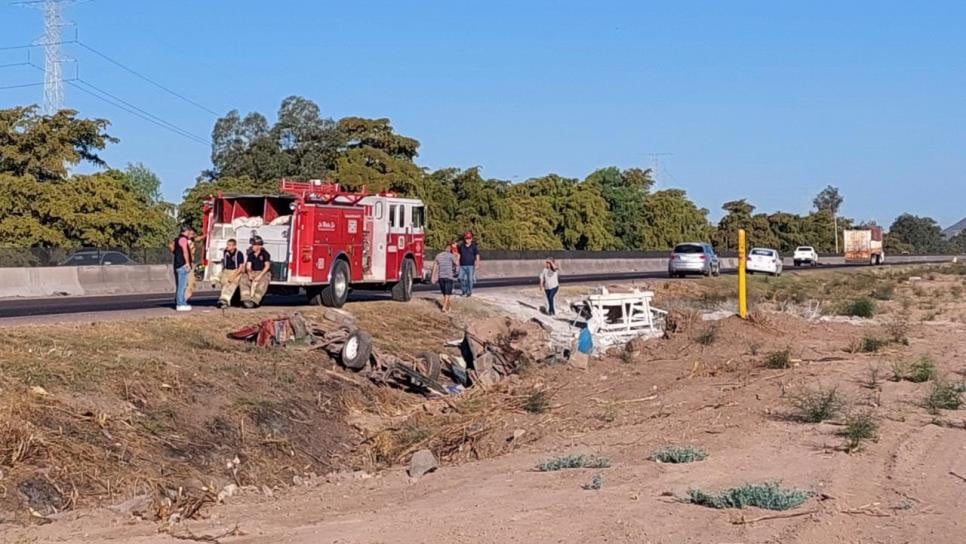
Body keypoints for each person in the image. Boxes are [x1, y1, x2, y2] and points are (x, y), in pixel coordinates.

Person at [239, 235, 271, 308]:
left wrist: (260, 276)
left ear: (259, 246)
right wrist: (250, 274)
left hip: (263, 272)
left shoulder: (265, 254)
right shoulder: (250, 255)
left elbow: (267, 266)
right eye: (252, 245)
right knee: (243, 279)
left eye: (253, 245)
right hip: (253, 271)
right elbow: (248, 266)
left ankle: (255, 300)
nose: (252, 246)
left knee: (263, 282)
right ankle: (246, 299)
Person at [216, 239, 245, 308]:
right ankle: (223, 300)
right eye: (227, 245)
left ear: (234, 246)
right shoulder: (226, 252)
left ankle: (225, 300)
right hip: (227, 270)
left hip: (236, 271)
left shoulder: (239, 254)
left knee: (232, 284)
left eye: (229, 245)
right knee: (224, 283)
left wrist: (233, 276)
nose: (227, 246)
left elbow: (240, 267)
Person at [430, 241, 459, 312]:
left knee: (445, 293)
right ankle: (444, 307)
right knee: (447, 293)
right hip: (449, 276)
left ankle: (449, 307)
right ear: (450, 249)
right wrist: (457, 256)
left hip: (441, 277)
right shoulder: (450, 255)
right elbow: (457, 263)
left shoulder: (438, 255)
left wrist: (432, 277)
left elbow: (434, 266)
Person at [172, 225, 194, 312]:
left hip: (177, 264)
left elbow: (172, 248)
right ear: (186, 231)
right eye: (189, 231)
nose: (190, 233)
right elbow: (185, 252)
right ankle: (180, 303)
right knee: (182, 286)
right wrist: (187, 263)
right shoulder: (183, 239)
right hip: (182, 265)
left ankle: (182, 302)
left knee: (181, 285)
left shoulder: (177, 239)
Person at [457, 231, 480, 297]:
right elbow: (459, 254)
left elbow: (477, 255)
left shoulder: (474, 247)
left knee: (470, 280)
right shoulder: (461, 246)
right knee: (461, 278)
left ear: (471, 239)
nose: (468, 239)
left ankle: (469, 292)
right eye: (466, 238)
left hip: (471, 266)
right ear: (464, 238)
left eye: (469, 238)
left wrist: (477, 264)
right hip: (462, 265)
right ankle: (464, 291)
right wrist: (457, 262)